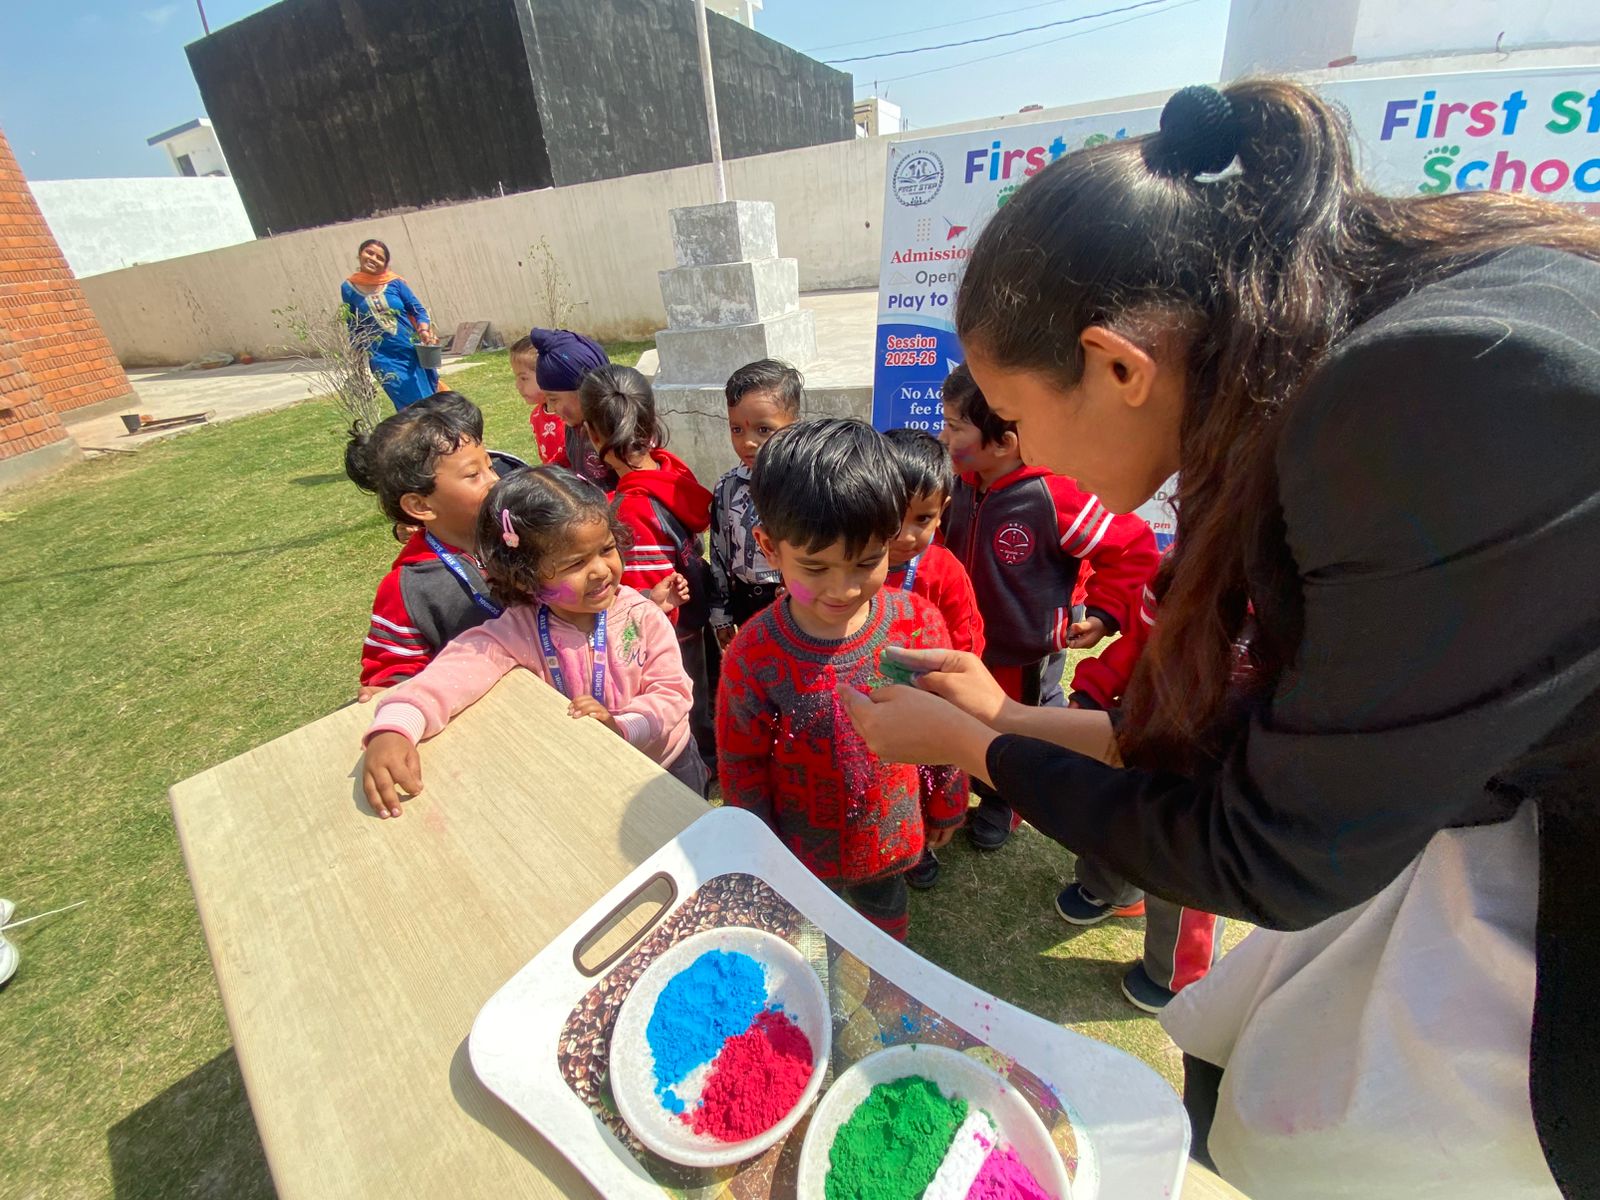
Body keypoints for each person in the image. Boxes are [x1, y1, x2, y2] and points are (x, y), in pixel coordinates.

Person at [838, 80, 1600, 1200]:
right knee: (1237, 1075)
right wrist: (1002, 714)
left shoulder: (1429, 398)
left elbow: (1263, 851)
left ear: (1117, 366)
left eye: (1008, 419)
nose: (1003, 449)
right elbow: (1267, 736)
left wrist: (974, 752)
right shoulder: (1350, 351)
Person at [716, 419, 968, 942]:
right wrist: (756, 850)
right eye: (815, 567)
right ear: (769, 547)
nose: (843, 588)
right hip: (798, 854)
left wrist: (947, 796)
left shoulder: (917, 625)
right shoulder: (753, 656)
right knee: (814, 946)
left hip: (891, 836)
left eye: (866, 561)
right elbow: (740, 763)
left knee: (883, 935)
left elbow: (947, 724)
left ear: (891, 538)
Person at [362, 466, 704, 817]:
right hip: (586, 780)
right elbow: (453, 673)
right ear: (525, 578)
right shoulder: (516, 632)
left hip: (665, 767)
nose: (601, 569)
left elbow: (672, 693)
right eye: (576, 562)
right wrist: (398, 726)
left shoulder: (641, 616)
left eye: (606, 549)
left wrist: (622, 726)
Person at [939, 363, 1159, 850]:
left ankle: (1006, 801)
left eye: (955, 426)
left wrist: (1104, 612)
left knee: (1017, 728)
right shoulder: (953, 481)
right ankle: (964, 789)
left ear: (1004, 443)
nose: (943, 435)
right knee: (962, 718)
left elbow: (1133, 551)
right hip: (961, 645)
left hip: (1025, 653)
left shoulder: (1056, 494)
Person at [881, 428, 986, 889]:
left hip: (930, 713)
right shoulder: (852, 565)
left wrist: (950, 798)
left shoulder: (945, 573)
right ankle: (889, 842)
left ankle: (919, 843)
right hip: (869, 711)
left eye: (921, 519)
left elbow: (965, 655)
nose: (904, 536)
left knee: (924, 774)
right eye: (891, 519)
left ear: (942, 513)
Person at [345, 392, 500, 698]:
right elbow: (391, 670)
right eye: (473, 475)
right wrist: (392, 689)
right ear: (420, 505)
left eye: (490, 467)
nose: (495, 480)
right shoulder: (407, 589)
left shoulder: (522, 533)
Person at [708, 359, 803, 646]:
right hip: (746, 603)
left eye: (763, 430)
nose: (748, 442)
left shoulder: (805, 486)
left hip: (797, 603)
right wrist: (721, 615)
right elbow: (720, 554)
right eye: (737, 429)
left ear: (793, 427)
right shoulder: (727, 488)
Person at [341, 239, 441, 410]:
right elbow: (354, 325)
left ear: (385, 264)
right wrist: (357, 362)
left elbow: (418, 311)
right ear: (359, 255)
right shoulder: (348, 288)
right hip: (383, 357)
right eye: (369, 253)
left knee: (430, 400)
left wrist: (424, 330)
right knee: (411, 406)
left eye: (379, 257)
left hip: (413, 352)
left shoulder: (395, 283)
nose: (373, 258)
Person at [525, 327, 616, 489]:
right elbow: (569, 456)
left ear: (585, 390)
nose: (551, 408)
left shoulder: (615, 429)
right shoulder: (574, 426)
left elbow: (636, 483)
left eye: (553, 399)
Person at [509, 335, 568, 465]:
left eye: (523, 378)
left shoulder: (569, 415)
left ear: (548, 375)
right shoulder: (536, 415)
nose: (517, 386)